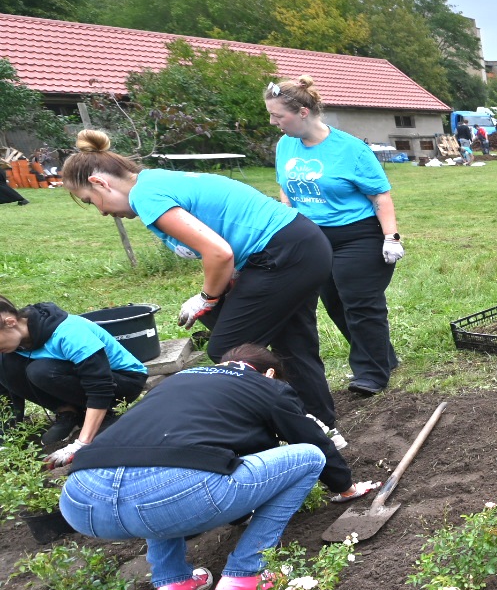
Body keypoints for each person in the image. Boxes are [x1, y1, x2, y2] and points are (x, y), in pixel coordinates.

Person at [59, 130, 343, 434]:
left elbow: (219, 253)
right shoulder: (155, 180)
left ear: (99, 183)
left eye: (91, 201)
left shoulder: (145, 195)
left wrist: (206, 297)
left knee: (228, 350)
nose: (103, 211)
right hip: (301, 244)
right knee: (292, 343)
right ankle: (320, 425)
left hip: (283, 253)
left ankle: (258, 427)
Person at [58, 344, 376, 590]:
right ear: (269, 374)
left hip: (81, 502)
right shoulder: (267, 387)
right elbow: (311, 440)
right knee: (308, 457)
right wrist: (345, 486)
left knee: (162, 462)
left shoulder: (177, 381)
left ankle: (173, 581)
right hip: (170, 495)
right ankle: (248, 571)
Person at [265, 75, 403, 398]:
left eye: (277, 116)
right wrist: (287, 220)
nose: (273, 122)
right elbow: (286, 187)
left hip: (357, 236)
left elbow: (380, 196)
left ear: (302, 112)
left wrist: (391, 237)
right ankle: (384, 357)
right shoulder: (285, 145)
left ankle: (371, 373)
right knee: (336, 304)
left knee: (360, 303)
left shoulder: (351, 149)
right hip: (312, 238)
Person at [0, 296, 147, 457]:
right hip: (77, 378)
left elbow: (100, 385)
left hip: (123, 381)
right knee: (4, 364)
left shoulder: (69, 332)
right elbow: (5, 391)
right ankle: (69, 413)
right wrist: (4, 439)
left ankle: (104, 417)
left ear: (10, 322)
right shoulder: (16, 340)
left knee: (40, 371)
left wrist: (81, 443)